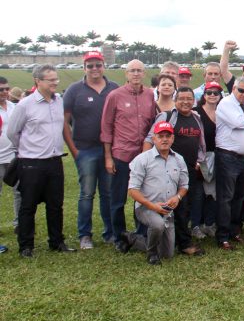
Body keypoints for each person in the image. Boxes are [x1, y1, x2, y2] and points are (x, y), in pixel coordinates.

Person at [7, 65, 75, 258]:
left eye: (56, 79)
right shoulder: (25, 105)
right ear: (38, 81)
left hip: (54, 161)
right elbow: (13, 132)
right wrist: (28, 149)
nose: (55, 83)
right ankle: (26, 246)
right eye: (50, 80)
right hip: (31, 163)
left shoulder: (58, 101)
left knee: (55, 205)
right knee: (28, 206)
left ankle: (56, 241)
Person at [62, 50, 119, 249]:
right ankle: (84, 234)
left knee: (108, 193)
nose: (94, 69)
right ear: (84, 67)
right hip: (85, 150)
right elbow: (64, 122)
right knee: (87, 194)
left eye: (98, 65)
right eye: (90, 65)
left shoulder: (113, 88)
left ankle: (110, 232)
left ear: (104, 66)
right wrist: (74, 150)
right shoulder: (74, 89)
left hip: (109, 151)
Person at [143, 87, 206, 257]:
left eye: (189, 98)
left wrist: (198, 161)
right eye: (181, 98)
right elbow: (150, 138)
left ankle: (179, 239)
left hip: (189, 169)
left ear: (194, 101)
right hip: (169, 169)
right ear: (175, 100)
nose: (185, 102)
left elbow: (200, 143)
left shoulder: (196, 118)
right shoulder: (167, 116)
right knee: (178, 205)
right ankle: (182, 243)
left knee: (185, 206)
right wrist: (147, 163)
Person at [117, 121, 189, 265]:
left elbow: (184, 185)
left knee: (168, 253)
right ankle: (151, 254)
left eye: (168, 136)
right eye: (160, 136)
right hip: (146, 208)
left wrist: (178, 197)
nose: (164, 139)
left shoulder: (179, 159)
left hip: (168, 211)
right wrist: (152, 206)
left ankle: (132, 238)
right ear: (154, 139)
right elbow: (132, 190)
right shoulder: (142, 159)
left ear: (173, 139)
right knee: (157, 225)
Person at [101, 59, 158, 242]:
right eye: (132, 71)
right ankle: (119, 236)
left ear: (144, 74)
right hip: (121, 155)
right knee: (118, 200)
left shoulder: (150, 95)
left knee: (142, 198)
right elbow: (106, 127)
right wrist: (108, 157)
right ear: (126, 74)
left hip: (143, 156)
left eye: (139, 71)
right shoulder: (115, 96)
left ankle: (140, 233)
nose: (135, 74)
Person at [214, 77, 244, 250]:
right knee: (226, 198)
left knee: (239, 197)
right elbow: (238, 123)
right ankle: (222, 236)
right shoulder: (225, 104)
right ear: (234, 89)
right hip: (228, 157)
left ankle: (234, 231)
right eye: (241, 90)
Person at [193, 82, 221, 238]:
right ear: (204, 95)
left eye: (215, 93)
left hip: (218, 156)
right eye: (209, 92)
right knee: (199, 193)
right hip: (201, 157)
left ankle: (209, 224)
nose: (212, 95)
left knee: (214, 193)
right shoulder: (195, 112)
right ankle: (195, 225)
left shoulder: (223, 112)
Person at [0, 76, 19, 241]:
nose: (5, 92)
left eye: (7, 89)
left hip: (13, 156)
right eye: (1, 89)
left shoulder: (14, 107)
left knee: (19, 191)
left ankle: (19, 224)